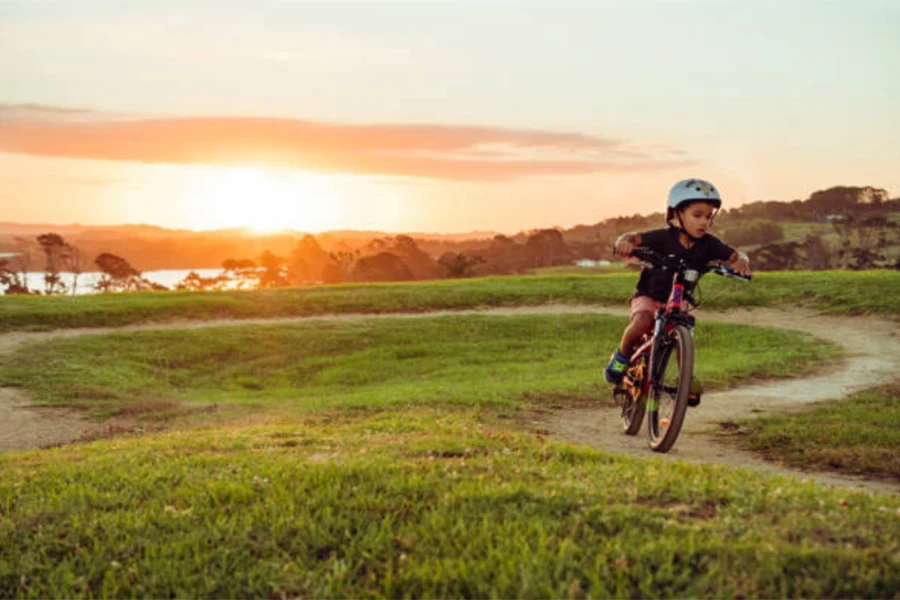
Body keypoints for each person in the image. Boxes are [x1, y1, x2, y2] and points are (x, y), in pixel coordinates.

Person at [603, 178, 752, 388]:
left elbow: (735, 256)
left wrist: (742, 262)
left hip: (680, 300)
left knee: (685, 331)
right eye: (697, 215)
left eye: (709, 217)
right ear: (676, 213)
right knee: (642, 322)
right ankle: (621, 358)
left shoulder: (710, 244)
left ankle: (685, 380)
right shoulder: (663, 237)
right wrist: (624, 243)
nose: (704, 222)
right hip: (649, 295)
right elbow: (632, 238)